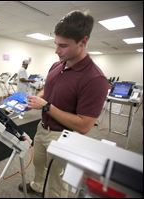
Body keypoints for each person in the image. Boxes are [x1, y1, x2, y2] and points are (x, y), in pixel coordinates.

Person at [18, 10, 109, 197]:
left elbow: (85, 125)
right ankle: (37, 186)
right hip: (42, 129)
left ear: (83, 42)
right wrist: (34, 100)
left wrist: (46, 106)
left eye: (63, 46)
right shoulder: (57, 65)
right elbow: (47, 89)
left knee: (57, 183)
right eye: (55, 44)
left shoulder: (95, 78)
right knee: (39, 165)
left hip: (64, 137)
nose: (56, 50)